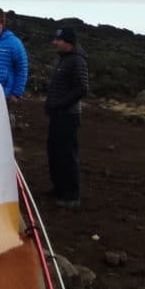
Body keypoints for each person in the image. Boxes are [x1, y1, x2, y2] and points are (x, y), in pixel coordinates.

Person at [46, 26, 89, 208]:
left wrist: (60, 104)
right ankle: (59, 188)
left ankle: (71, 195)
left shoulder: (77, 61)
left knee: (67, 154)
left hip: (68, 116)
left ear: (68, 42)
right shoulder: (64, 59)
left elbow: (81, 89)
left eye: (58, 40)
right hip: (57, 114)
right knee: (54, 152)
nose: (55, 42)